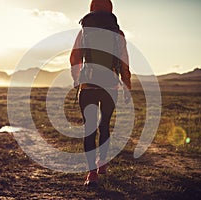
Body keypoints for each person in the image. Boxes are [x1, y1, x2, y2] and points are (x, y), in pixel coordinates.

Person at [70, 0, 131, 186]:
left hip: (88, 85)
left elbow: (74, 57)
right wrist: (127, 86)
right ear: (110, 10)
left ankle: (92, 174)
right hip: (110, 87)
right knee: (104, 125)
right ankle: (102, 163)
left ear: (91, 9)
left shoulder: (84, 31)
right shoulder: (118, 34)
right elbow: (124, 62)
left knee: (90, 129)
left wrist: (76, 78)